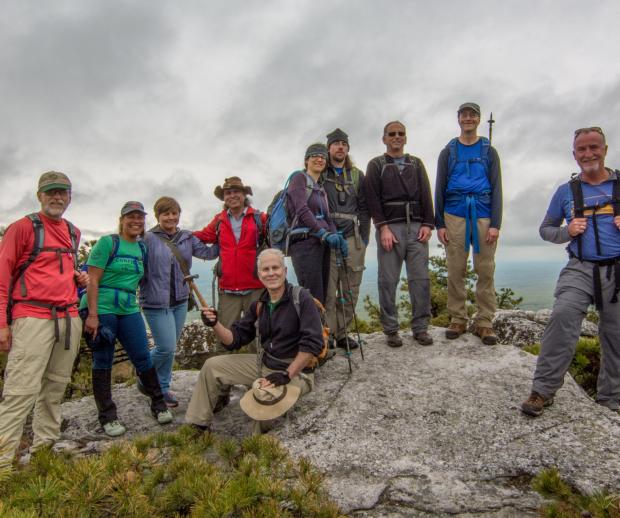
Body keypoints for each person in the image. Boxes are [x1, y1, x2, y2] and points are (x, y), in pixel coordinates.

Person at [521, 127, 620, 417]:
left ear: (604, 149)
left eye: (594, 147)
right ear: (574, 154)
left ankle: (611, 400)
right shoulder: (566, 191)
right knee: (563, 316)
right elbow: (545, 230)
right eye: (582, 149)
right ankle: (542, 391)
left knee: (615, 334)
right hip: (579, 266)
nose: (588, 154)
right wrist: (567, 231)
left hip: (617, 270)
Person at [0, 171, 88, 467]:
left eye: (62, 192)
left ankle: (43, 452)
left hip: (68, 318)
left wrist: (78, 279)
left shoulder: (73, 232)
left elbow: (54, 271)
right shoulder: (22, 228)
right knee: (20, 391)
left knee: (54, 387)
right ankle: (2, 463)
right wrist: (2, 323)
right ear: (39, 195)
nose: (57, 197)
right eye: (50, 192)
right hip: (32, 317)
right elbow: (2, 277)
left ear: (70, 196)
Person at [185, 248, 324, 433]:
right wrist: (215, 324)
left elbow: (312, 343)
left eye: (276, 268)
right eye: (266, 269)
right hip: (264, 365)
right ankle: (198, 425)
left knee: (263, 400)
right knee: (212, 366)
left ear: (285, 271)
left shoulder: (301, 298)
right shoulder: (260, 304)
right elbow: (234, 339)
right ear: (259, 274)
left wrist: (287, 374)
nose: (271, 273)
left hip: (297, 372)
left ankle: (255, 446)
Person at [81, 201, 173, 437]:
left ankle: (158, 404)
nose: (136, 221)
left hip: (129, 307)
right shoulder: (108, 243)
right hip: (101, 307)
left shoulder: (141, 248)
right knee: (103, 359)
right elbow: (93, 280)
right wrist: (92, 315)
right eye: (130, 217)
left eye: (140, 217)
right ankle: (107, 416)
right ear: (122, 220)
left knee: (142, 355)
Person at [140, 196, 219, 407]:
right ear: (158, 216)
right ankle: (143, 377)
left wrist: (227, 236)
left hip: (181, 300)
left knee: (171, 347)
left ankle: (163, 387)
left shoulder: (187, 237)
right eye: (166, 213)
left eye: (174, 213)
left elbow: (208, 253)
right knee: (165, 347)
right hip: (155, 301)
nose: (171, 217)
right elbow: (137, 265)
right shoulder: (147, 239)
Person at [435, 102, 503, 344]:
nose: (468, 118)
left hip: (483, 213)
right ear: (458, 119)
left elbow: (497, 188)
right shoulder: (449, 151)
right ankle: (458, 318)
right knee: (455, 268)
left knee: (485, 269)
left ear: (478, 119)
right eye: (464, 115)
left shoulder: (488, 150)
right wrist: (439, 223)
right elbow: (439, 188)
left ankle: (485, 322)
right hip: (454, 213)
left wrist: (496, 223)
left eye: (472, 115)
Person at [364, 121, 435, 347]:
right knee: (388, 281)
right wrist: (382, 227)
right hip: (390, 228)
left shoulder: (416, 163)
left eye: (401, 134)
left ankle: (421, 328)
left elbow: (426, 193)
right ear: (384, 138)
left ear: (406, 138)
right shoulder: (376, 165)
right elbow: (372, 198)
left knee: (420, 280)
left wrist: (428, 223)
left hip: (416, 227)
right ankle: (391, 330)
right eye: (392, 134)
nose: (396, 137)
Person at [194, 177, 267, 348]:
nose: (232, 196)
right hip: (228, 290)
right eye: (228, 193)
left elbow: (275, 237)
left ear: (244, 195)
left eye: (236, 192)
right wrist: (178, 236)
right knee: (225, 336)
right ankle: (223, 373)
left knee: (258, 336)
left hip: (256, 287)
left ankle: (258, 373)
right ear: (224, 197)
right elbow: (204, 236)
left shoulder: (259, 218)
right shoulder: (219, 221)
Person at [321, 128, 370, 350]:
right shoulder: (321, 173)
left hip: (353, 237)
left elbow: (365, 208)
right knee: (329, 290)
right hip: (328, 238)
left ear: (347, 148)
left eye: (343, 143)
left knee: (350, 289)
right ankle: (328, 333)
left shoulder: (357, 175)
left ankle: (342, 333)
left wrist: (365, 238)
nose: (340, 146)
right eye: (335, 143)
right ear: (329, 147)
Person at [287, 143, 347, 305]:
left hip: (321, 244)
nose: (320, 159)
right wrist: (322, 232)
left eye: (323, 157)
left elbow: (327, 217)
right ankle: (312, 330)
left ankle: (320, 329)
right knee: (312, 295)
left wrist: (334, 234)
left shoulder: (320, 188)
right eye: (315, 156)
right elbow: (302, 209)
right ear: (306, 160)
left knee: (322, 292)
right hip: (304, 244)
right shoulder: (298, 178)